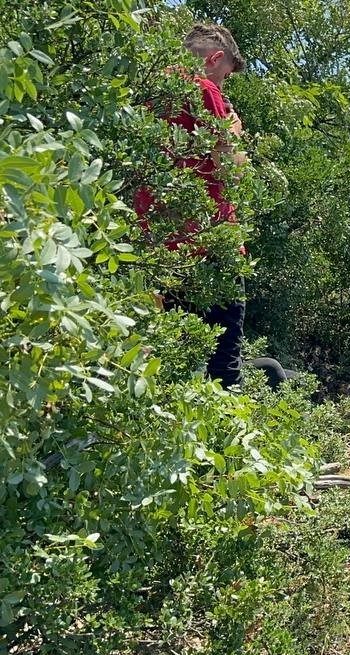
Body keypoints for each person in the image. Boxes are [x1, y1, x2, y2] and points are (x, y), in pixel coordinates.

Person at [135, 24, 250, 387]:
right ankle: (225, 441)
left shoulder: (147, 89)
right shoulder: (203, 89)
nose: (223, 87)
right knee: (223, 369)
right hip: (209, 249)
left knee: (161, 363)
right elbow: (232, 172)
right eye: (225, 77)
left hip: (155, 251)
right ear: (216, 59)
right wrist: (233, 128)